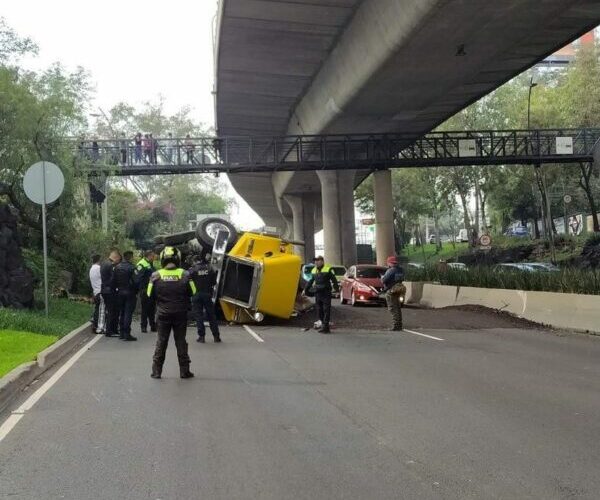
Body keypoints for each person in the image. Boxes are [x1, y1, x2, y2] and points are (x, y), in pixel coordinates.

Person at [147, 246, 196, 379]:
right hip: (180, 313)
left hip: (163, 314)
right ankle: (184, 371)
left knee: (161, 342)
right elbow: (193, 291)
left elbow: (148, 294)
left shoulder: (155, 275)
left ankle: (156, 371)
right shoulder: (186, 274)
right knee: (181, 342)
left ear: (162, 259)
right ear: (178, 258)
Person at [189, 253, 221, 343]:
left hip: (196, 295)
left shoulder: (192, 270)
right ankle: (216, 336)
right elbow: (214, 283)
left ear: (195, 261)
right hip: (207, 294)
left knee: (199, 316)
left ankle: (201, 337)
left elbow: (188, 283)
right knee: (211, 316)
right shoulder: (210, 268)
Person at [303, 256, 339, 334]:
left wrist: (337, 290)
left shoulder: (328, 269)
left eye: (318, 260)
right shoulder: (314, 270)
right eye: (315, 261)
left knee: (326, 310)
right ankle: (323, 325)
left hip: (326, 292)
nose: (316, 262)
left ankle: (326, 327)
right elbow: (310, 281)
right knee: (319, 310)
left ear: (322, 261)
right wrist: (305, 289)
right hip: (317, 293)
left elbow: (334, 280)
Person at [114, 251, 137, 341]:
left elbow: (113, 280)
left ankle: (122, 333)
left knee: (122, 312)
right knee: (128, 313)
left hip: (120, 292)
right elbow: (136, 281)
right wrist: (136, 290)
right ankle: (127, 333)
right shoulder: (132, 267)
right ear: (130, 257)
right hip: (130, 293)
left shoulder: (117, 267)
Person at [100, 250, 122, 338]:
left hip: (104, 290)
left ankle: (109, 330)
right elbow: (113, 279)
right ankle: (110, 331)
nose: (118, 262)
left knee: (109, 310)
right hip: (110, 291)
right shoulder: (111, 265)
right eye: (119, 260)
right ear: (115, 257)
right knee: (112, 311)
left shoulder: (104, 263)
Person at [134, 250, 157, 333]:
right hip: (145, 290)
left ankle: (153, 325)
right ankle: (143, 326)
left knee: (152, 308)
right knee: (145, 309)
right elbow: (137, 278)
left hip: (152, 290)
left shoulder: (150, 264)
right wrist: (140, 289)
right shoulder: (141, 264)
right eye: (153, 256)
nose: (154, 258)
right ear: (149, 256)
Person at [381, 256, 405, 331]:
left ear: (390, 263)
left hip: (391, 291)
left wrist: (382, 278)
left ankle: (396, 326)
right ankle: (399, 325)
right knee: (398, 308)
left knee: (393, 308)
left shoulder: (390, 270)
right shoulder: (401, 270)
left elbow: (384, 280)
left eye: (388, 263)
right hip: (399, 290)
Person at [89, 254, 105, 334]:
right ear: (99, 260)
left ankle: (94, 325)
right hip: (100, 291)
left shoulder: (91, 269)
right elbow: (104, 277)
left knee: (97, 309)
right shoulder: (98, 268)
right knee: (101, 311)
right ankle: (99, 327)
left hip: (95, 291)